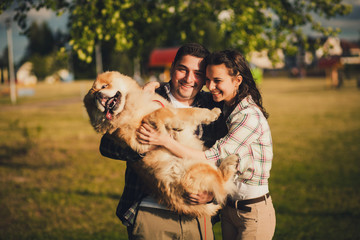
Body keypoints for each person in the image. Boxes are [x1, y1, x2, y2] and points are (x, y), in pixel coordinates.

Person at [137, 50, 276, 240]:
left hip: (244, 210)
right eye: (208, 79)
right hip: (166, 211)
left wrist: (164, 141)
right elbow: (109, 146)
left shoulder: (239, 113)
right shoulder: (150, 100)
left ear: (237, 80)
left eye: (215, 80)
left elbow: (216, 157)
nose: (210, 86)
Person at [99, 43, 226, 239]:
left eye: (197, 73)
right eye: (182, 70)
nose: (189, 79)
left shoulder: (213, 107)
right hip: (151, 214)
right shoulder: (148, 96)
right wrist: (143, 145)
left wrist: (212, 194)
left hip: (197, 215)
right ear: (172, 67)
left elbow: (229, 153)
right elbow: (106, 146)